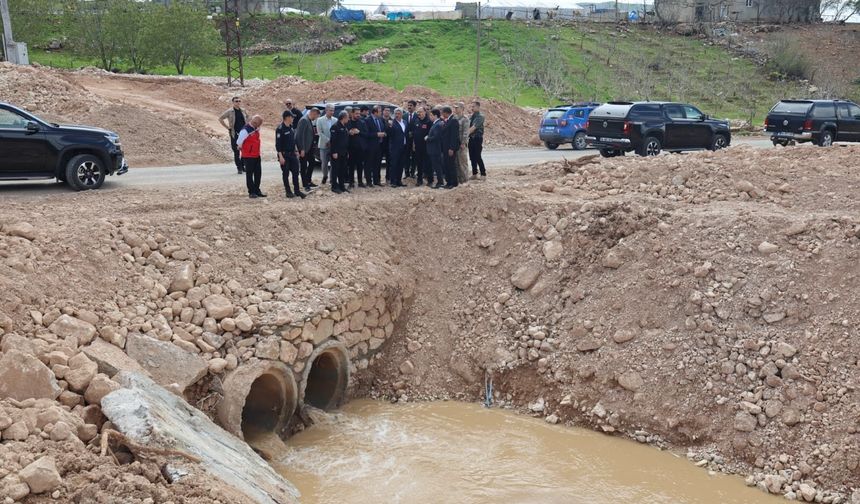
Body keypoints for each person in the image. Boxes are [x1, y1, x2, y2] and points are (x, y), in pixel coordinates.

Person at [276, 111, 306, 199]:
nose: (293, 118)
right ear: (287, 117)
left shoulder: (291, 127)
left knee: (296, 173)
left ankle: (297, 190)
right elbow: (278, 144)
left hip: (292, 154)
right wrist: (280, 156)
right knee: (285, 174)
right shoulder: (280, 129)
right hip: (284, 155)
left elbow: (293, 141)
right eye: (291, 117)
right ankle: (288, 191)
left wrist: (296, 150)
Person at [237, 115, 265, 198]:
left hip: (256, 154)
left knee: (258, 174)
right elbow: (239, 142)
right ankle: (251, 192)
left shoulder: (255, 128)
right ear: (255, 122)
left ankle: (257, 190)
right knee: (249, 175)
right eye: (259, 124)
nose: (259, 126)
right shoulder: (245, 130)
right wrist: (244, 148)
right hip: (248, 156)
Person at [218, 96, 249, 174]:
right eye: (236, 101)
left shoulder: (243, 110)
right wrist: (227, 127)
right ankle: (239, 168)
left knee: (245, 150)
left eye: (239, 101)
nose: (238, 102)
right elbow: (220, 118)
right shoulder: (230, 111)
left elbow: (248, 117)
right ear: (233, 102)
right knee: (236, 151)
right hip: (234, 134)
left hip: (243, 133)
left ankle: (243, 165)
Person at [362, 106, 386, 186]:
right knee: (369, 164)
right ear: (375, 112)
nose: (381, 113)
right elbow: (365, 134)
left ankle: (377, 181)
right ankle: (369, 181)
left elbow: (382, 129)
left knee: (377, 164)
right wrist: (376, 134)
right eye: (380, 111)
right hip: (370, 146)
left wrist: (384, 133)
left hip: (379, 145)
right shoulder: (367, 120)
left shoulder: (380, 119)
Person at [296, 107, 319, 190]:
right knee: (303, 167)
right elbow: (299, 136)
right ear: (313, 113)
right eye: (316, 116)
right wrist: (301, 149)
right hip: (304, 148)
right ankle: (305, 185)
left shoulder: (308, 120)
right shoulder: (304, 120)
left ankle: (308, 180)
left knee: (312, 163)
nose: (315, 118)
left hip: (309, 148)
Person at [329, 111, 351, 194]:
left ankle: (342, 186)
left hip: (343, 152)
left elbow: (345, 140)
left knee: (342, 169)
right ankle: (334, 186)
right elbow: (333, 141)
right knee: (335, 170)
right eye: (348, 117)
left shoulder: (344, 126)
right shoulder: (335, 126)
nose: (348, 119)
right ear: (343, 118)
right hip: (336, 153)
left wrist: (347, 152)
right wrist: (334, 152)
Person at [411, 106, 432, 186]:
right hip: (418, 146)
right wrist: (413, 144)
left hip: (426, 146)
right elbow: (414, 133)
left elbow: (431, 134)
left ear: (425, 112)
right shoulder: (416, 120)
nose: (419, 113)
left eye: (420, 112)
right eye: (418, 112)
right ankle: (419, 180)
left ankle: (430, 180)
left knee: (427, 163)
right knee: (419, 163)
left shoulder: (429, 121)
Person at [387, 108, 408, 187]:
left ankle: (399, 181)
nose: (397, 115)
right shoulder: (392, 123)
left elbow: (406, 133)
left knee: (401, 164)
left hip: (403, 146)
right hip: (395, 147)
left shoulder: (405, 122)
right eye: (396, 114)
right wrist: (390, 127)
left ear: (402, 114)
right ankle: (393, 181)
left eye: (399, 114)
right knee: (394, 164)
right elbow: (389, 134)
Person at [316, 104, 337, 185]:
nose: (332, 112)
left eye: (333, 110)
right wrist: (328, 141)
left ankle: (332, 179)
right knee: (324, 163)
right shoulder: (320, 120)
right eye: (330, 110)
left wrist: (332, 142)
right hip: (323, 145)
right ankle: (325, 175)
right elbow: (319, 132)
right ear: (326, 110)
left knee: (333, 163)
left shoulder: (335, 120)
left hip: (333, 145)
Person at [440, 106, 460, 189]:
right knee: (446, 165)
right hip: (445, 147)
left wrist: (452, 148)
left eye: (442, 113)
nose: (441, 115)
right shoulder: (448, 120)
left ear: (446, 113)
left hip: (450, 148)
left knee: (451, 165)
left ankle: (453, 183)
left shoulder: (453, 121)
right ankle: (448, 182)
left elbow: (454, 136)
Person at [426, 109, 445, 189]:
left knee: (437, 166)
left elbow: (436, 137)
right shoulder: (435, 124)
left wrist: (428, 138)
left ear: (435, 116)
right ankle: (439, 182)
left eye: (431, 115)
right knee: (436, 166)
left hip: (435, 149)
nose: (430, 117)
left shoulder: (438, 124)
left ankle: (440, 182)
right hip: (433, 149)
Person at [347, 107, 367, 188]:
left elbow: (366, 134)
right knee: (351, 166)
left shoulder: (362, 122)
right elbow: (344, 133)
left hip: (360, 148)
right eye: (356, 113)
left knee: (360, 165)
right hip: (350, 148)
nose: (358, 115)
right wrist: (349, 133)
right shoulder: (348, 122)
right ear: (352, 113)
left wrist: (359, 132)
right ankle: (351, 182)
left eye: (359, 113)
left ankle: (360, 182)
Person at [454, 102, 471, 184]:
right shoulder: (455, 118)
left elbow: (465, 132)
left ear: (462, 109)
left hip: (461, 144)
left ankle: (465, 180)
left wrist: (463, 143)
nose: (455, 109)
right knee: (456, 163)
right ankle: (459, 180)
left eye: (457, 108)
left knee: (463, 163)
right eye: (455, 108)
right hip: (455, 143)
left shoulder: (465, 119)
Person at [469, 101, 487, 178]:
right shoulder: (471, 116)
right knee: (472, 156)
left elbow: (473, 128)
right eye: (471, 106)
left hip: (477, 138)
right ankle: (474, 173)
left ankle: (483, 174)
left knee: (477, 156)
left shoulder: (480, 116)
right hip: (471, 138)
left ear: (478, 107)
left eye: (473, 106)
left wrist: (464, 135)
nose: (472, 108)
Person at [403, 100, 418, 178]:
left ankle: (412, 172)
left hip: (415, 140)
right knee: (406, 156)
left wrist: (413, 133)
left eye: (411, 105)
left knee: (414, 157)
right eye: (408, 105)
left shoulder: (417, 116)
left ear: (414, 107)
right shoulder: (404, 115)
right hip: (406, 140)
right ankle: (406, 173)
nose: (409, 107)